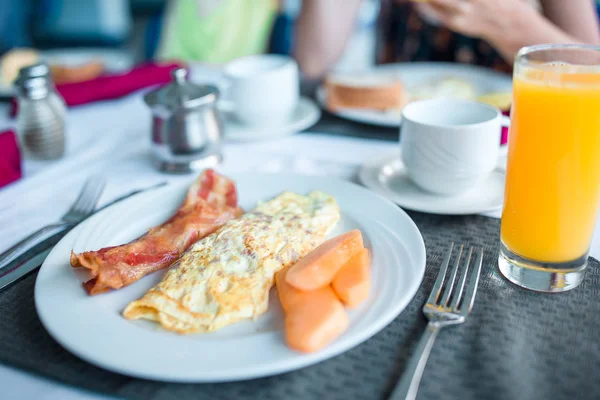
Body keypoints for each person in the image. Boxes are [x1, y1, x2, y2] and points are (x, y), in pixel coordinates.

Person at [295, 0, 600, 78]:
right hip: (392, 135)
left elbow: (592, 66)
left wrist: (508, 22)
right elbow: (312, 61)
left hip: (512, 143)